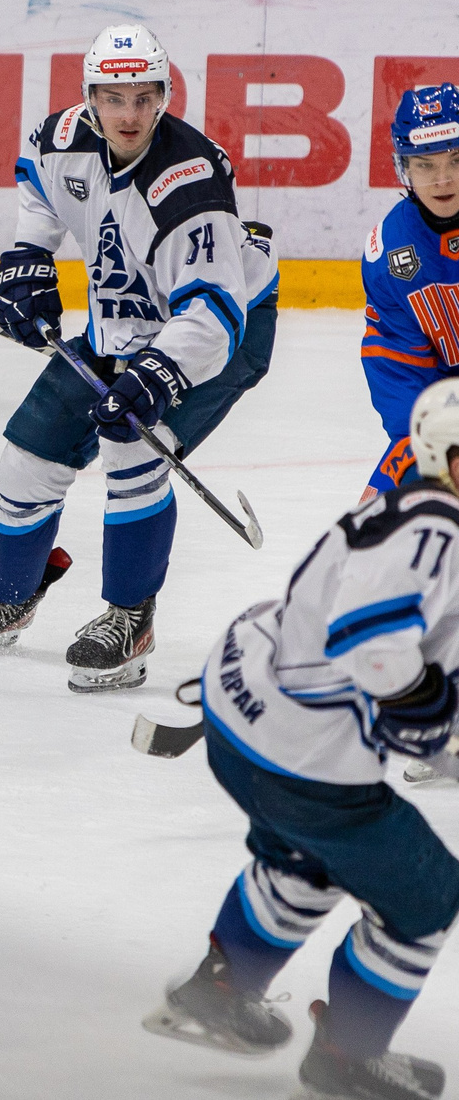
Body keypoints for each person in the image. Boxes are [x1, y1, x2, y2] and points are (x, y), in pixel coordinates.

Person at [0, 23, 279, 691]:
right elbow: (38, 181)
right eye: (113, 98)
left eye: (144, 97)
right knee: (29, 452)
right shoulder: (63, 139)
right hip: (116, 322)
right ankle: (11, 594)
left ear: (164, 97)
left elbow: (213, 311)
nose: (129, 114)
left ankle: (130, 617)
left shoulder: (189, 187)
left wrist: (156, 374)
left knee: (132, 449)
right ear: (90, 96)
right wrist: (29, 256)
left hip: (218, 332)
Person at [142, 379, 459, 1100]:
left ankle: (220, 991)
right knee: (425, 898)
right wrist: (425, 707)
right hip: (300, 757)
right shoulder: (438, 531)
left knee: (302, 863)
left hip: (243, 713)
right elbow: (372, 647)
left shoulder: (415, 508)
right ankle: (347, 1057)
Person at [359, 84, 459, 500]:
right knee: (388, 513)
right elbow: (403, 380)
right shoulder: (391, 254)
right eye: (425, 164)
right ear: (404, 168)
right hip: (450, 408)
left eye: (456, 159)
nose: (442, 178)